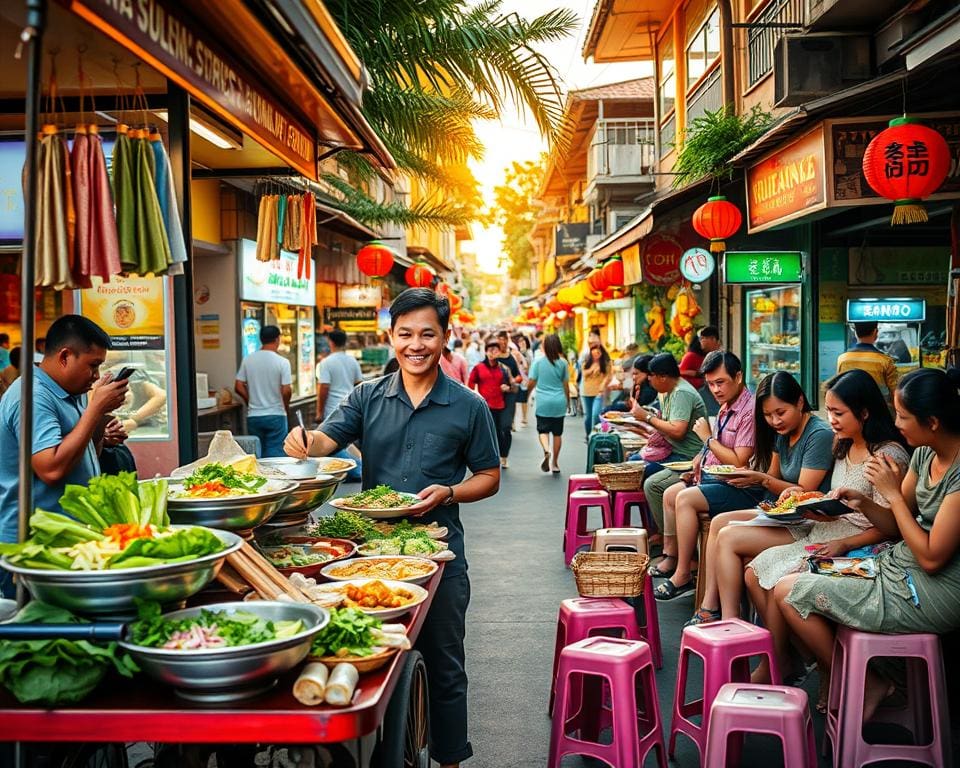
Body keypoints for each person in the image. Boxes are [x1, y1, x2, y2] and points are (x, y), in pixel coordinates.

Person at [284, 288, 500, 768]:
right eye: (405, 334)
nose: (415, 344)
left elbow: (488, 478)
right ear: (392, 336)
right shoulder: (366, 396)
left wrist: (449, 491)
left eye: (427, 333)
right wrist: (304, 441)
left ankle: (448, 760)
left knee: (444, 664)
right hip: (367, 556)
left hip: (439, 557)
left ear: (445, 338)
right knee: (368, 661)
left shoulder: (468, 406)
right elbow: (326, 439)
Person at [774, 367, 960, 723]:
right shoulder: (925, 454)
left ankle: (866, 683)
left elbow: (933, 558)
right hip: (901, 564)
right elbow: (894, 525)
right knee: (788, 585)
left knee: (790, 592)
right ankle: (864, 680)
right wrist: (865, 501)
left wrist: (892, 494)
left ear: (932, 421)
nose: (897, 423)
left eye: (904, 416)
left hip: (937, 589)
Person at [735, 370, 908, 693]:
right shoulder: (844, 445)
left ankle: (831, 673)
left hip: (863, 545)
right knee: (753, 572)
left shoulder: (887, 456)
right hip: (829, 530)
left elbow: (892, 526)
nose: (831, 420)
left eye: (838, 413)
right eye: (829, 412)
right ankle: (795, 658)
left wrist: (844, 541)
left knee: (781, 581)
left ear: (865, 412)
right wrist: (811, 501)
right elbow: (841, 497)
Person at [684, 371, 834, 624]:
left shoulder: (818, 435)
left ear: (799, 402)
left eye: (780, 412)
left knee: (728, 536)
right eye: (767, 415)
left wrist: (761, 479)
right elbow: (774, 478)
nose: (774, 421)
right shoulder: (782, 433)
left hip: (807, 520)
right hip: (781, 513)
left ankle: (730, 620)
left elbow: (803, 492)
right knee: (719, 523)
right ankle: (711, 605)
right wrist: (753, 477)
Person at [0, 316, 128, 595]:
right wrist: (95, 410)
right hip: (32, 547)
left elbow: (81, 454)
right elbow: (51, 469)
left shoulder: (73, 390)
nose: (95, 375)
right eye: (92, 365)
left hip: (68, 540)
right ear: (65, 356)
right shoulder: (32, 396)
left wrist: (99, 427)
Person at [649, 351, 756, 600]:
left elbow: (740, 460)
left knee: (685, 499)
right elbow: (714, 448)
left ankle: (683, 574)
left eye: (720, 382)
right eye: (710, 384)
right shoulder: (725, 406)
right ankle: (674, 557)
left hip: (739, 486)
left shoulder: (748, 411)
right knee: (670, 493)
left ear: (738, 377)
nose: (715, 390)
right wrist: (697, 463)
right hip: (714, 478)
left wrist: (707, 438)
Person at [631, 353, 707, 538]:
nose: (649, 379)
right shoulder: (666, 391)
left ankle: (665, 535)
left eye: (652, 375)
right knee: (633, 462)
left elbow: (677, 431)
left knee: (649, 481)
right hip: (671, 451)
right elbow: (666, 424)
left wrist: (646, 417)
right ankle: (654, 527)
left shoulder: (682, 393)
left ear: (663, 377)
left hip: (687, 457)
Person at [235, 325, 292, 458]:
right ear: (278, 339)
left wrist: (250, 401)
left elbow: (238, 385)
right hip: (276, 415)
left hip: (254, 416)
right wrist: (285, 406)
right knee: (275, 454)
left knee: (256, 452)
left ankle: (260, 478)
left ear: (261, 339)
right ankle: (274, 478)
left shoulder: (248, 360)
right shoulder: (282, 362)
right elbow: (286, 390)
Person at [315, 329, 364, 481]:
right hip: (352, 406)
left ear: (330, 342)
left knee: (333, 445)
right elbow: (359, 383)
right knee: (346, 443)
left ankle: (357, 469)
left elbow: (324, 387)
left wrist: (319, 411)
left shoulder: (326, 362)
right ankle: (359, 467)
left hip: (333, 409)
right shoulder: (352, 361)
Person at [528, 333, 569, 474]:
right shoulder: (563, 363)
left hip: (543, 402)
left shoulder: (538, 362)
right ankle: (555, 464)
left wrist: (527, 395)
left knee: (543, 430)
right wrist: (568, 401)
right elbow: (566, 385)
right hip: (559, 401)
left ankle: (546, 449)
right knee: (557, 433)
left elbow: (532, 382)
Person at [468, 339, 513, 468]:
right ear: (486, 352)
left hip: (502, 405)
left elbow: (513, 385)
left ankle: (503, 457)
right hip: (485, 406)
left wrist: (508, 387)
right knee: (487, 433)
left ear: (499, 352)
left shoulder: (504, 368)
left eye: (496, 350)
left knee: (504, 431)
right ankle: (488, 458)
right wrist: (475, 397)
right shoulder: (478, 368)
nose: (493, 352)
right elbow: (470, 384)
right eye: (490, 350)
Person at [836, 321, 898, 404]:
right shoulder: (885, 361)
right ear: (875, 332)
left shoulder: (842, 359)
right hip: (879, 410)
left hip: (852, 410)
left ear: (855, 333)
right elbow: (894, 393)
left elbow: (839, 388)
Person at [495, 331, 522, 464]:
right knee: (495, 427)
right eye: (499, 339)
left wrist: (512, 381)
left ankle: (504, 455)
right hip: (494, 396)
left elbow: (519, 376)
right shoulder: (492, 356)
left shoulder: (513, 357)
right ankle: (497, 453)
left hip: (509, 394)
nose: (502, 342)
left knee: (505, 426)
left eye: (504, 339)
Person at [580, 342, 612, 437]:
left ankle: (594, 435)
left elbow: (608, 376)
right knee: (588, 417)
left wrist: (603, 384)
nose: (596, 354)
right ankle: (588, 434)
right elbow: (584, 374)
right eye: (593, 352)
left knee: (596, 414)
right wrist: (592, 369)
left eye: (598, 352)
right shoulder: (587, 362)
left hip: (599, 392)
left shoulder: (606, 363)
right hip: (587, 392)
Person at [514, 335, 533, 427]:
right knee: (514, 399)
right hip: (517, 378)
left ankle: (524, 417)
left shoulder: (528, 353)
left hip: (525, 379)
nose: (521, 343)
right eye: (520, 342)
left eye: (523, 341)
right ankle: (513, 421)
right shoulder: (516, 353)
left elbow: (529, 366)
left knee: (524, 399)